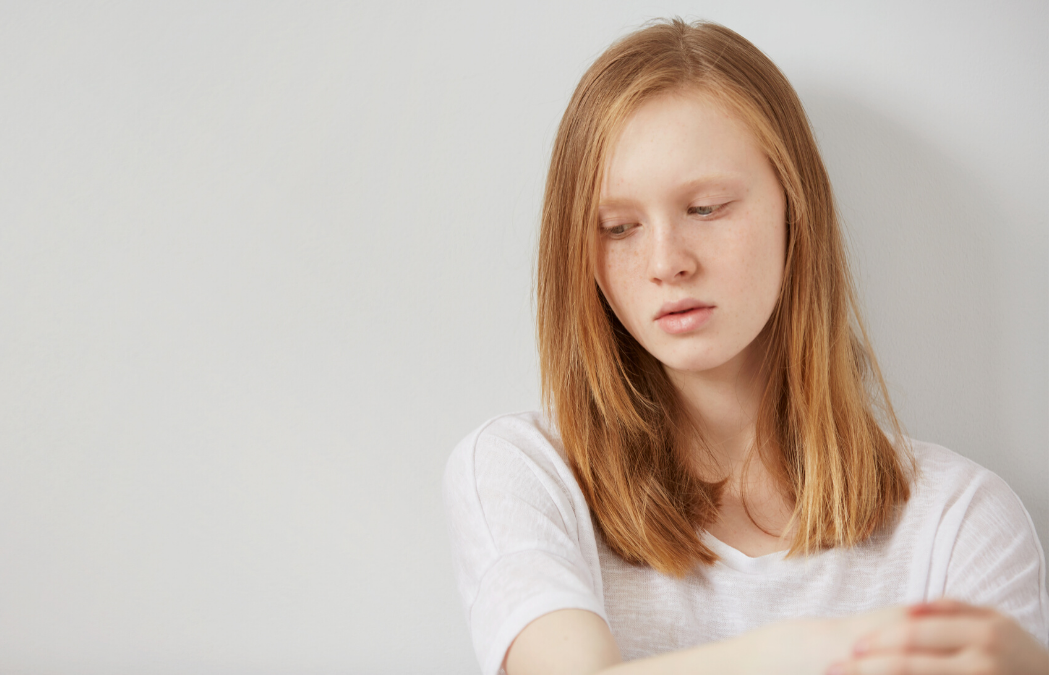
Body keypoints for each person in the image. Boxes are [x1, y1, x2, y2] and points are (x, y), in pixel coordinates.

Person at [442, 18, 1049, 675]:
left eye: (705, 208)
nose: (666, 261)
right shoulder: (523, 473)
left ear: (796, 210)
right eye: (619, 228)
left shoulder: (958, 521)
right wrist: (811, 650)